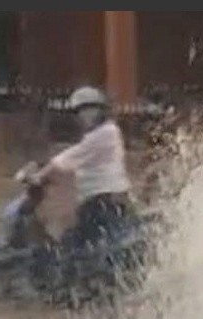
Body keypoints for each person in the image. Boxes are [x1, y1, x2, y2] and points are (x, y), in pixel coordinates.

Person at [29, 86, 134, 252]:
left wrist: (41, 175)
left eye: (90, 110)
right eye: (81, 112)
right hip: (96, 201)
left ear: (101, 110)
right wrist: (42, 169)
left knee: (74, 244)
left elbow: (70, 156)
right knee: (71, 239)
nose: (85, 116)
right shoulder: (95, 135)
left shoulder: (107, 133)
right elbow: (75, 160)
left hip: (105, 202)